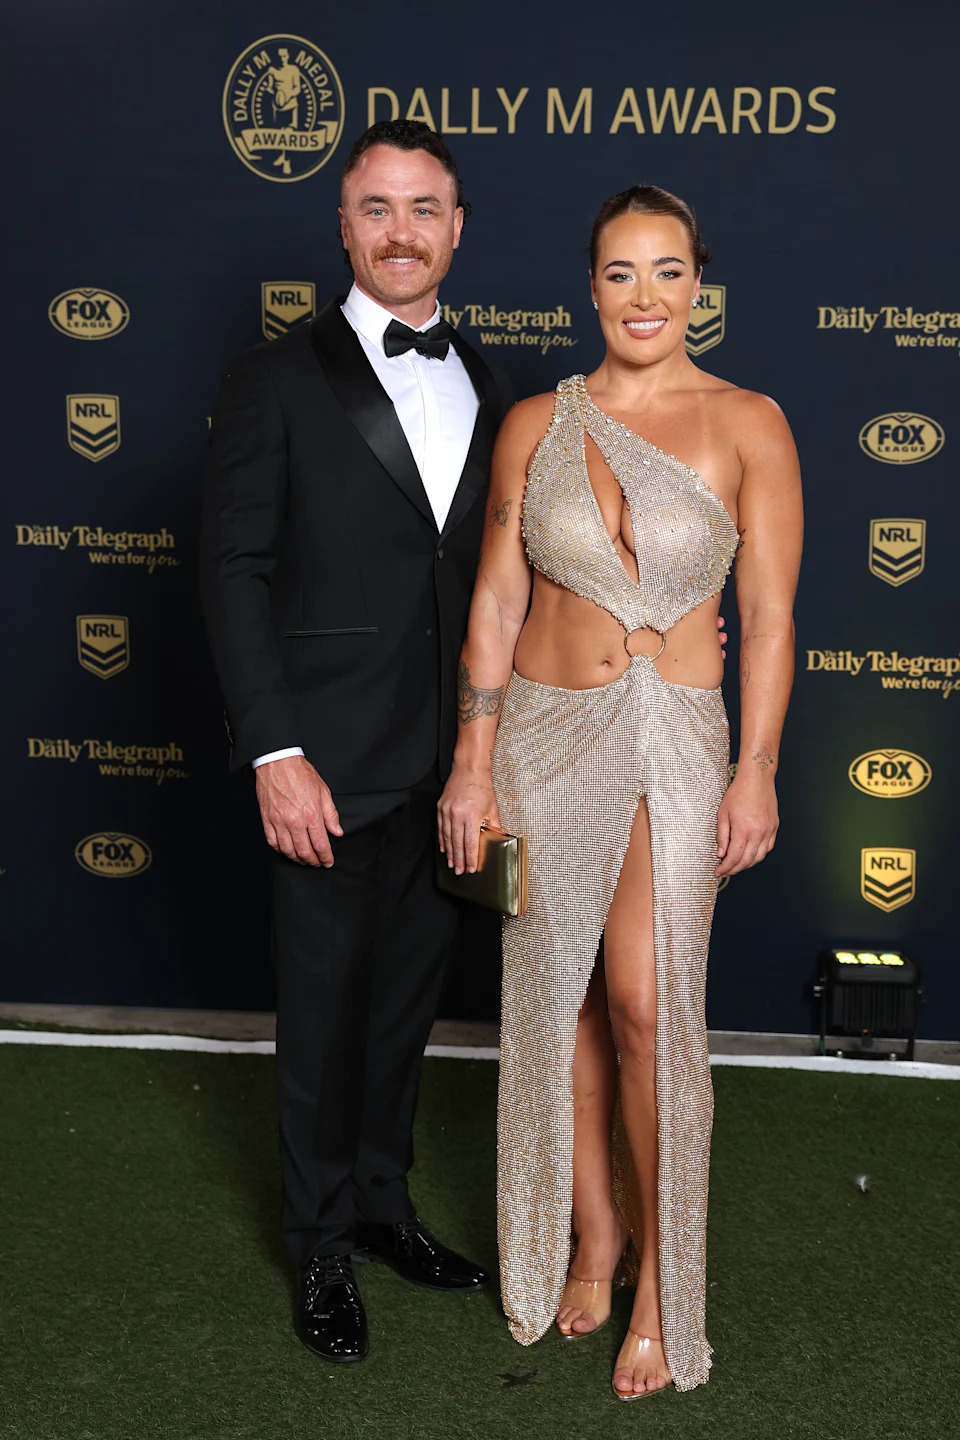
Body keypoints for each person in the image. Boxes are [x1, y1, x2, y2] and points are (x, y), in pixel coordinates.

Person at [438, 185, 802, 1399]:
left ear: (698, 283)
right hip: (543, 737)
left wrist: (758, 768)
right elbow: (497, 600)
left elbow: (769, 620)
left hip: (679, 739)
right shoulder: (536, 421)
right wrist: (472, 762)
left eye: (667, 271)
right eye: (620, 273)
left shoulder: (749, 423)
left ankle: (663, 1286)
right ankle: (591, 1237)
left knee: (648, 1003)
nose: (644, 297)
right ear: (590, 286)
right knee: (562, 1004)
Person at [200, 120, 514, 1364]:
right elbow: (232, 570)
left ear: (457, 228)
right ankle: (321, 1245)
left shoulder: (489, 378)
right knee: (324, 1019)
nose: (401, 231)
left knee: (402, 1012)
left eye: (424, 208)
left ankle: (384, 1207)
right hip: (324, 764)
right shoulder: (274, 377)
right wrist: (274, 751)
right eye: (376, 207)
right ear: (342, 225)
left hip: (452, 769)